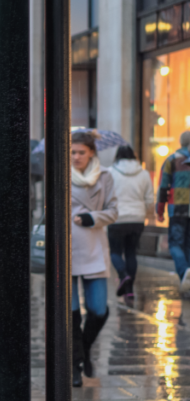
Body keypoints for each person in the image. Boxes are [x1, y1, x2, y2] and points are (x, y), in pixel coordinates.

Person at [70, 130, 118, 387]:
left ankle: (84, 350)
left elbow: (113, 211)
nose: (76, 157)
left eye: (81, 152)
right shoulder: (59, 174)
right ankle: (76, 365)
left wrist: (92, 218)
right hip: (66, 249)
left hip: (94, 248)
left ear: (91, 153)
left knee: (98, 310)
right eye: (72, 152)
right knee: (70, 314)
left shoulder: (106, 177)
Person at [107, 145, 154, 305]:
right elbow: (149, 198)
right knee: (131, 253)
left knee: (114, 252)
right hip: (137, 218)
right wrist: (145, 213)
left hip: (116, 218)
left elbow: (105, 196)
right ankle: (130, 291)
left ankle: (122, 275)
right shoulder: (144, 174)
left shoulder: (110, 172)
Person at [157, 130, 190, 296]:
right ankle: (187, 286)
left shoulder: (172, 159)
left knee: (176, 244)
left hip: (177, 209)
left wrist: (160, 210)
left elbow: (163, 187)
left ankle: (185, 272)